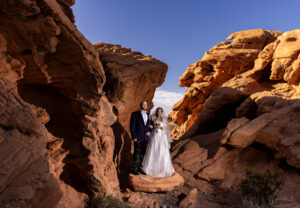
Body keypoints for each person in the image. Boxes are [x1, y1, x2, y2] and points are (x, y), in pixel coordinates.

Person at [142, 107, 175, 178]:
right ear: (156, 112)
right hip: (155, 136)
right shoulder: (153, 119)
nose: (159, 112)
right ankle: (151, 169)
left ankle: (163, 169)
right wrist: (152, 126)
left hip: (162, 137)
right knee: (154, 151)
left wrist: (160, 127)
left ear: (162, 112)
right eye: (158, 111)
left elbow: (166, 129)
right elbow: (150, 126)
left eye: (160, 111)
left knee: (162, 151)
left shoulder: (164, 119)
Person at [130, 101, 153, 175]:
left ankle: (140, 167)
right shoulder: (135, 114)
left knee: (143, 153)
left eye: (146, 104)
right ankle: (134, 168)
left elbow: (152, 125)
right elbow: (132, 127)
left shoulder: (149, 115)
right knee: (137, 153)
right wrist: (134, 137)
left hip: (146, 138)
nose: (145, 105)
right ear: (140, 105)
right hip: (138, 137)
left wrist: (150, 131)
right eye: (143, 104)